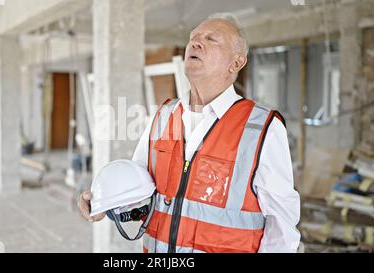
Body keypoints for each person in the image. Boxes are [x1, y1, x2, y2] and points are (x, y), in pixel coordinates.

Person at [79, 14, 300, 253]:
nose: (195, 43)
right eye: (193, 38)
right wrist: (105, 202)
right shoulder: (163, 116)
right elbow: (137, 192)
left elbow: (282, 226)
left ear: (236, 63)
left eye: (211, 39)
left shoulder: (261, 127)